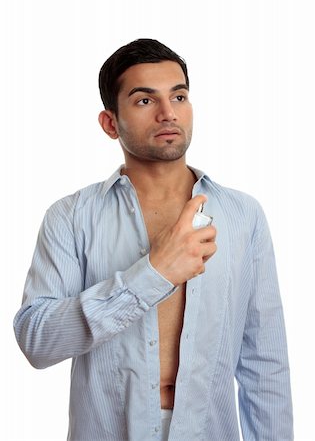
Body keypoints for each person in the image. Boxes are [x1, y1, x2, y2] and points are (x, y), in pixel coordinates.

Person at [14, 39, 293, 441]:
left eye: (178, 96)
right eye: (145, 101)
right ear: (111, 123)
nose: (168, 113)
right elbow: (37, 341)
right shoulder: (71, 217)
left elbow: (265, 363)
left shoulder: (242, 215)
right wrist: (153, 274)